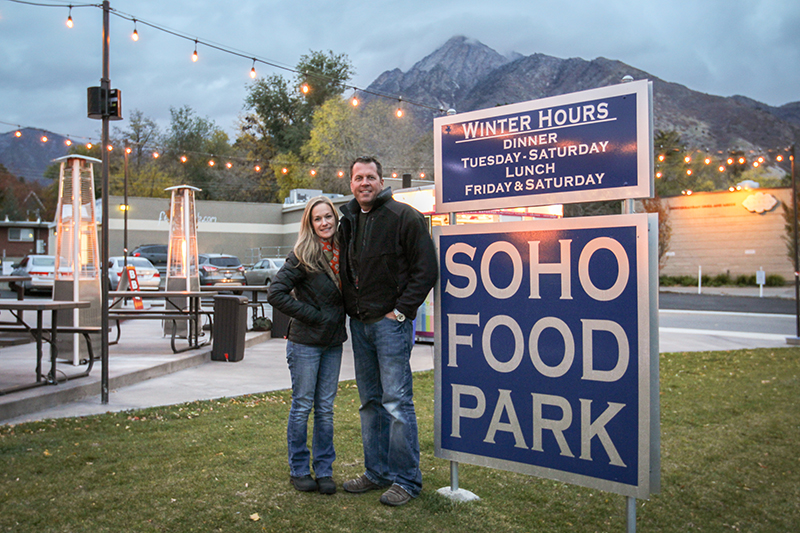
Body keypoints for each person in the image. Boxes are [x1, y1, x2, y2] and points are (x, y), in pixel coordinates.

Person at [339, 156, 438, 506]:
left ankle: (407, 480)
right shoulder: (348, 219)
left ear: (382, 181)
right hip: (360, 323)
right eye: (357, 178)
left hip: (390, 324)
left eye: (370, 177)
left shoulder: (404, 217)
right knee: (370, 403)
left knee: (397, 402)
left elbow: (425, 269)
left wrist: (402, 310)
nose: (364, 183)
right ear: (350, 183)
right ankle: (376, 471)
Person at [267, 196, 346, 495]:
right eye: (318, 219)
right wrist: (313, 315)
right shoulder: (302, 255)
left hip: (333, 342)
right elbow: (276, 293)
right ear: (310, 224)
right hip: (305, 343)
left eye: (329, 217)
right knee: (302, 406)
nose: (324, 222)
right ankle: (299, 469)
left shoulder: (343, 253)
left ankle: (324, 469)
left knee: (325, 409)